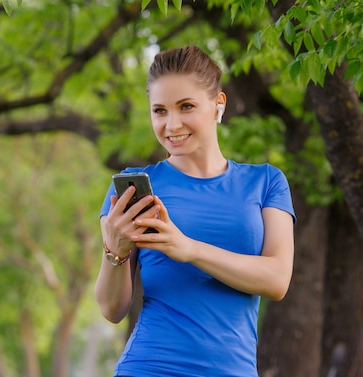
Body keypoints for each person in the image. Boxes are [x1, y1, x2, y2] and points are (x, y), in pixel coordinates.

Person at [94, 45, 296, 377]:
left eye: (186, 106)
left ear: (219, 104)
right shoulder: (133, 188)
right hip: (149, 367)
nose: (172, 125)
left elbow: (276, 279)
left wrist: (189, 249)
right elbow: (112, 308)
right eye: (159, 111)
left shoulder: (266, 182)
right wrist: (114, 251)